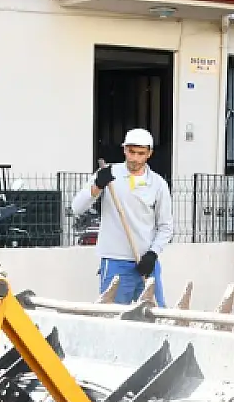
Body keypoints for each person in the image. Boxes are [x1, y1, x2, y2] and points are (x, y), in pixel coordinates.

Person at [72, 127, 173, 305]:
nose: (134, 158)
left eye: (140, 153)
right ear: (124, 149)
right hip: (115, 262)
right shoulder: (109, 174)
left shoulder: (158, 184)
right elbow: (77, 207)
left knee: (155, 318)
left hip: (147, 264)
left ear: (149, 153)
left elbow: (166, 227)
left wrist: (153, 254)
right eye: (131, 152)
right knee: (113, 318)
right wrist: (97, 186)